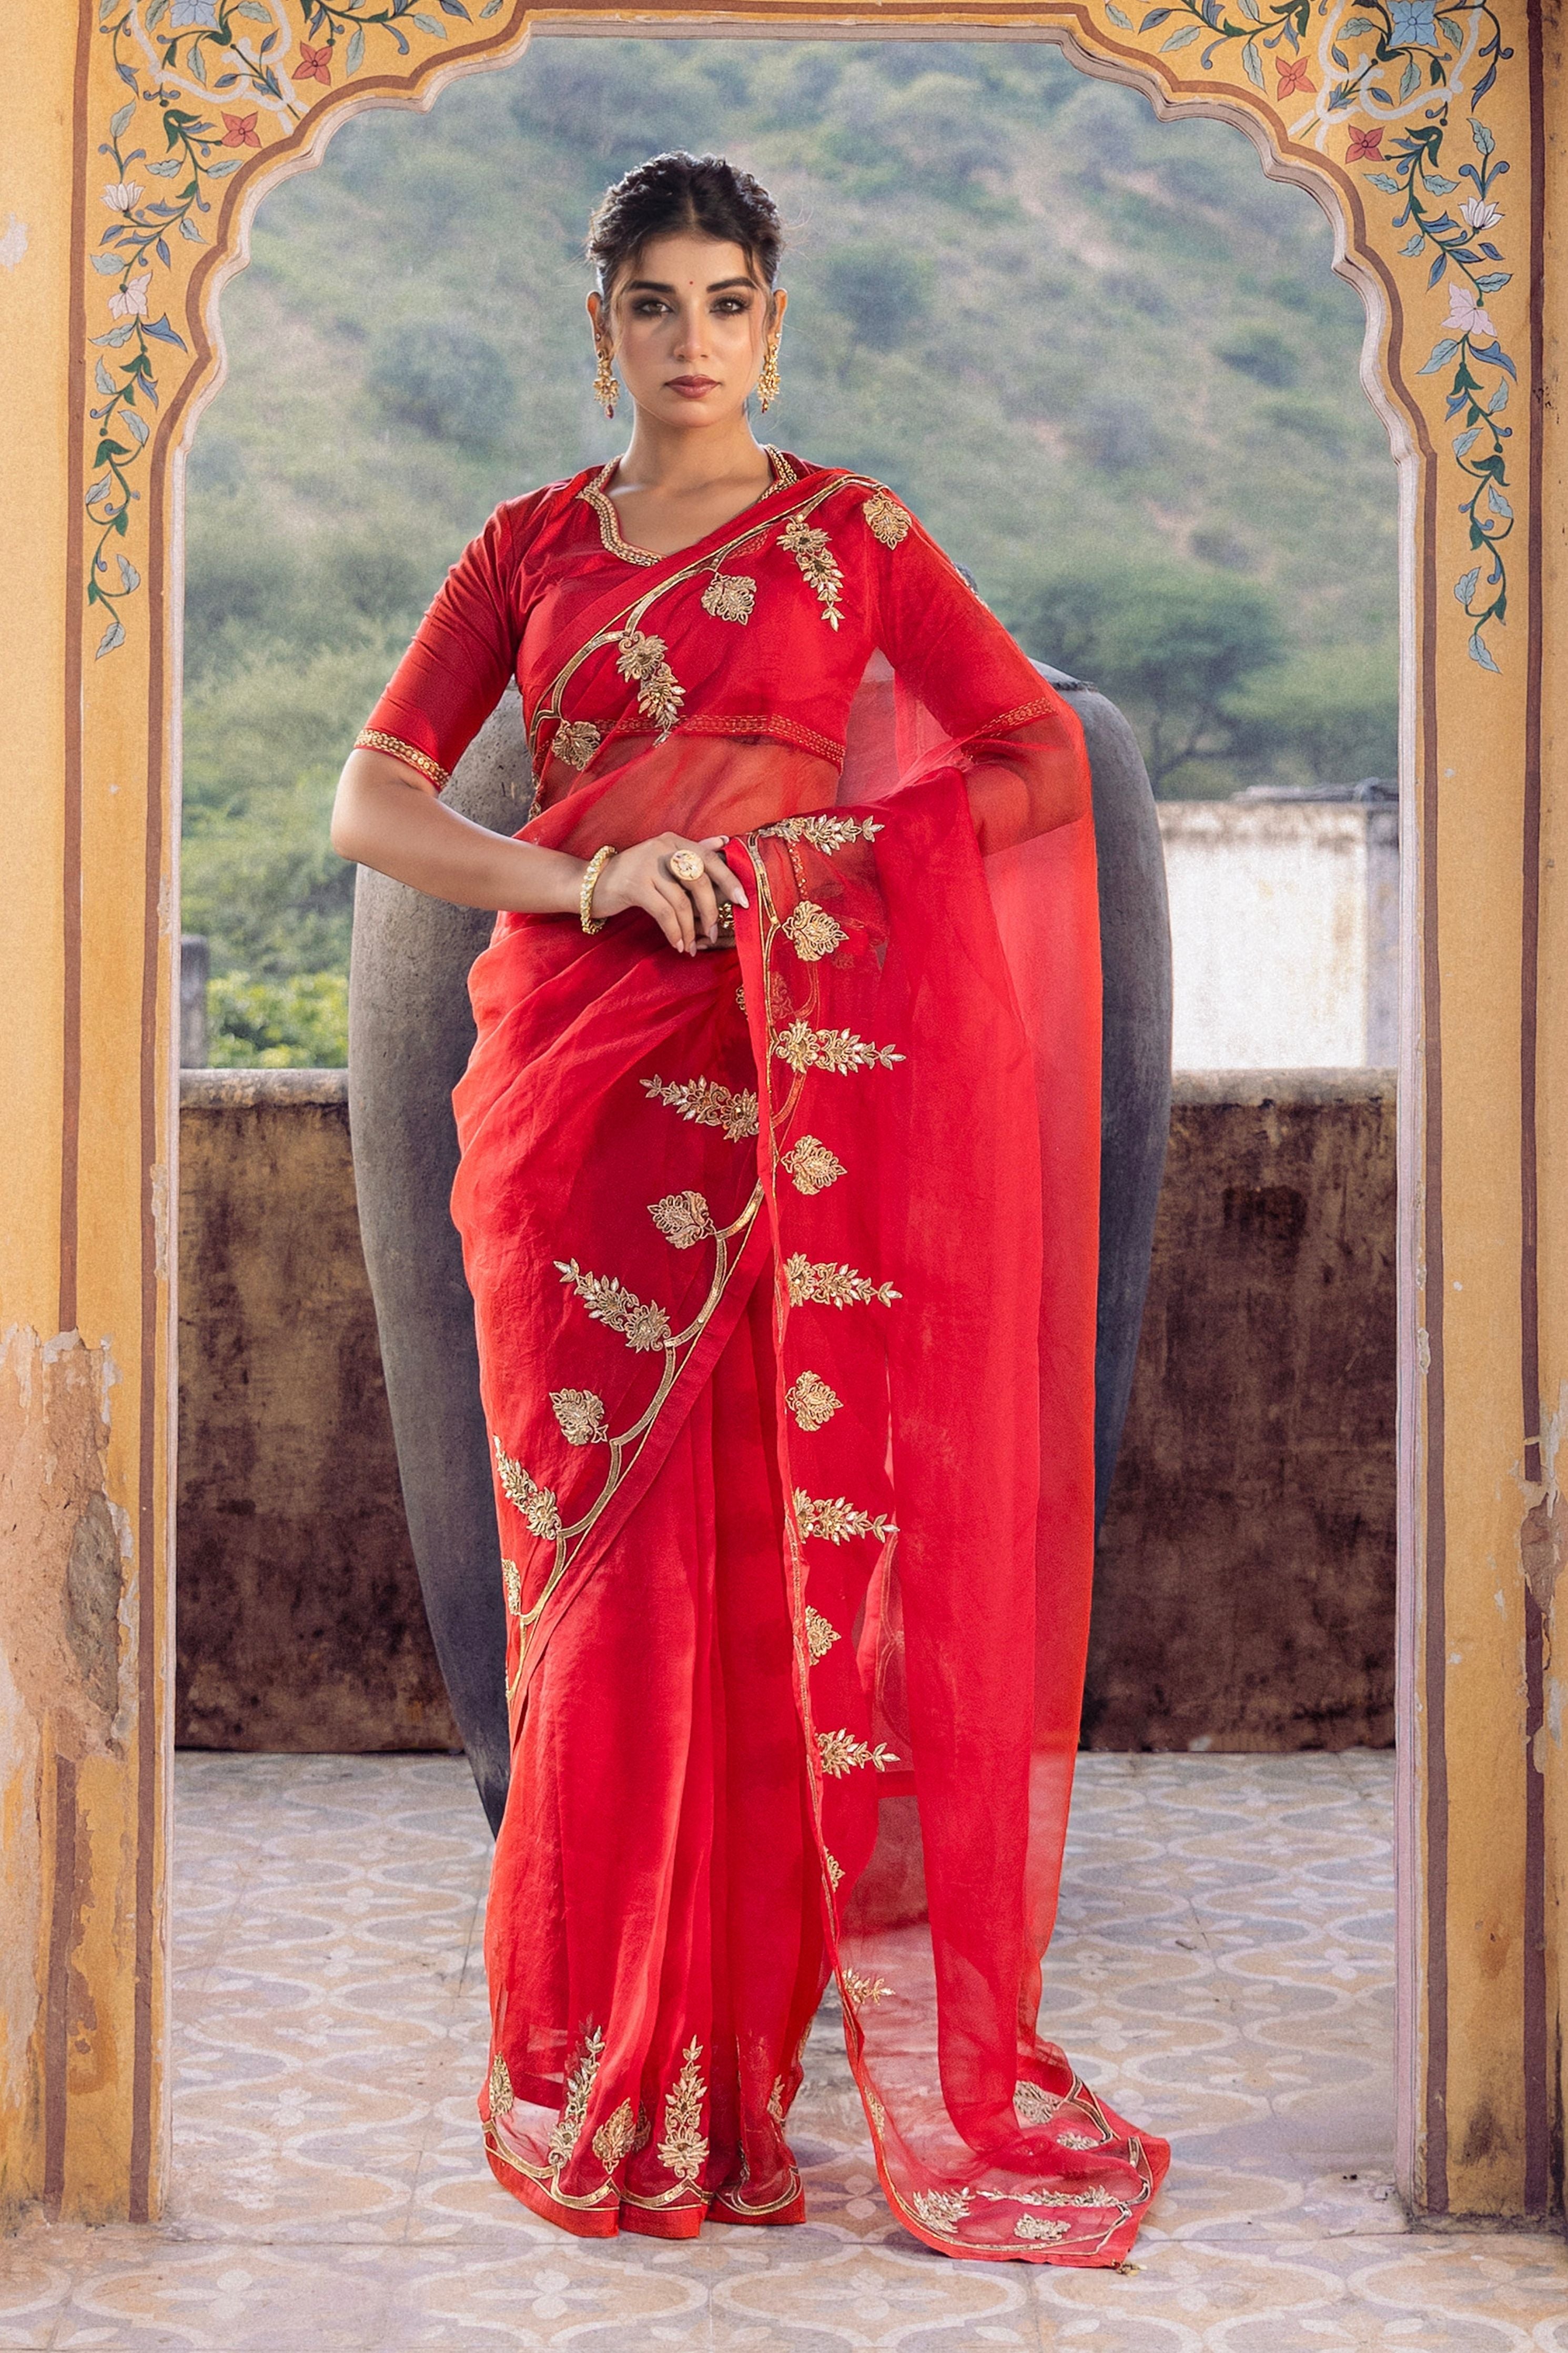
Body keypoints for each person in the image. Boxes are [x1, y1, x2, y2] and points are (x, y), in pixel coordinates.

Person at [331, 150, 1167, 2265]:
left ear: (769, 325)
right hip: (567, 1107)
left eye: (726, 302)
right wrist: (589, 876)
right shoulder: (524, 547)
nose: (691, 339)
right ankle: (621, 2056)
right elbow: (377, 800)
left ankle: (737, 2077)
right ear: (595, 328)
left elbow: (1027, 762)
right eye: (653, 304)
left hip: (792, 1104)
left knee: (762, 1579)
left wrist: (821, 865)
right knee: (595, 1584)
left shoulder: (852, 535)